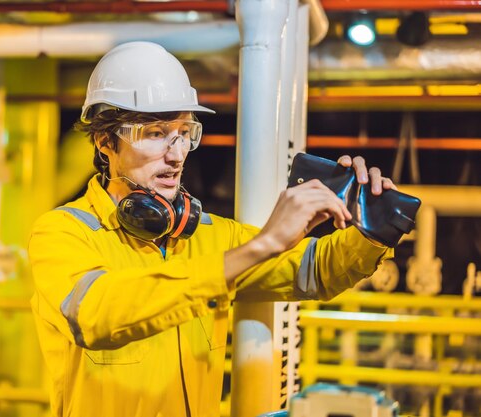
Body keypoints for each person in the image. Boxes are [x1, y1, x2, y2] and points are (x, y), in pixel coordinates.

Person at [28, 41, 395, 417]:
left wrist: (374, 231)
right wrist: (261, 244)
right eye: (155, 133)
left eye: (184, 132)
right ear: (105, 141)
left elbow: (316, 270)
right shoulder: (63, 233)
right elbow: (97, 316)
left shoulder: (211, 236)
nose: (176, 154)